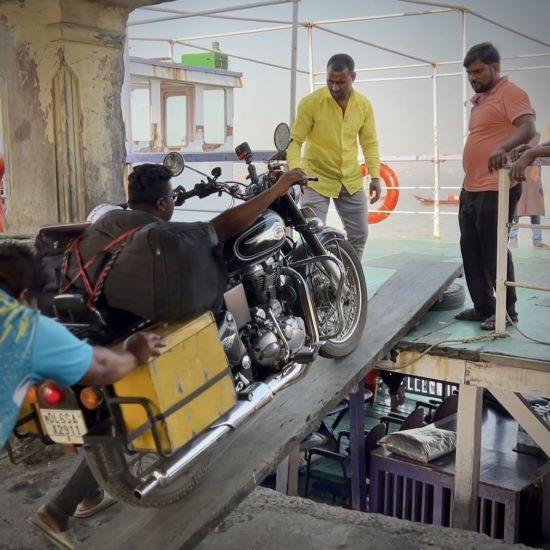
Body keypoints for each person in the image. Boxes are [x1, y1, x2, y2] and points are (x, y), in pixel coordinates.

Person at [31, 163, 308, 547]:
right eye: (171, 197)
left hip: (91, 322)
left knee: (116, 409)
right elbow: (226, 225)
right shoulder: (161, 234)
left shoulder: (106, 226)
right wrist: (276, 190)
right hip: (133, 330)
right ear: (163, 202)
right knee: (209, 325)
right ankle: (61, 507)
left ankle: (82, 497)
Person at [454, 42, 536, 331]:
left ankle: (507, 311)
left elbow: (528, 128)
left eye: (477, 71)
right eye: (469, 73)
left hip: (497, 186)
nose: (472, 78)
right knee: (470, 248)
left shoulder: (511, 94)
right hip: (472, 186)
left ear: (495, 68)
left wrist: (503, 146)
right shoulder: (480, 101)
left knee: (494, 248)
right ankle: (483, 306)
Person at [287, 53, 381, 259]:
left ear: (353, 77)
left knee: (360, 235)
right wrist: (296, 169)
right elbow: (295, 142)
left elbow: (369, 143)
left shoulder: (363, 105)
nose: (335, 87)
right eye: (331, 81)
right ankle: (316, 282)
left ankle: (349, 282)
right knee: (313, 236)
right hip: (315, 178)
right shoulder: (311, 103)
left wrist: (375, 176)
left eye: (341, 82)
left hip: (350, 179)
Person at [508, 134, 550, 250]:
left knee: (535, 210)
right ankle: (513, 238)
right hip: (520, 176)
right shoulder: (517, 137)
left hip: (533, 179)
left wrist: (533, 151)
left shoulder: (535, 137)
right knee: (517, 209)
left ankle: (537, 240)